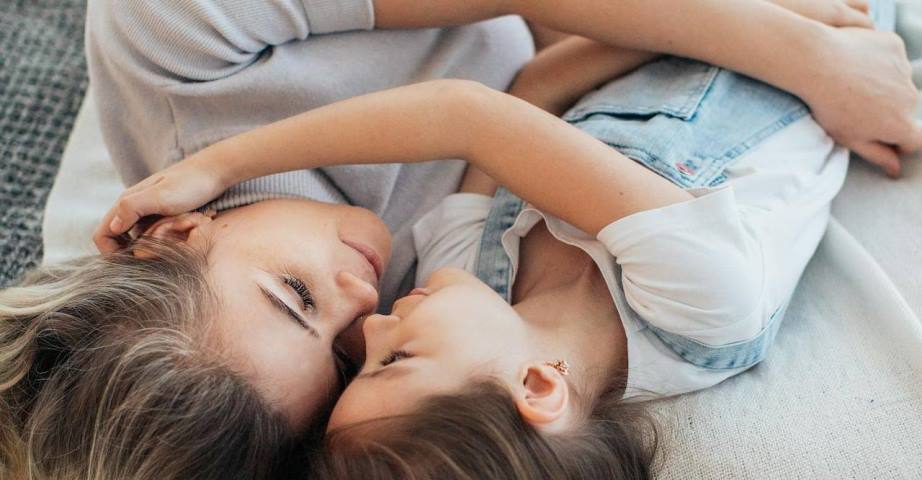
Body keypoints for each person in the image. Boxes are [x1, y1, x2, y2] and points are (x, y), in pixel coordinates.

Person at [1, 0, 919, 478]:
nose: (370, 308)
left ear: (172, 230)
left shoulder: (176, 34)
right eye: (349, 360)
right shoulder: (447, 316)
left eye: (298, 298)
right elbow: (513, 100)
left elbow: (487, 110)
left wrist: (802, 53)